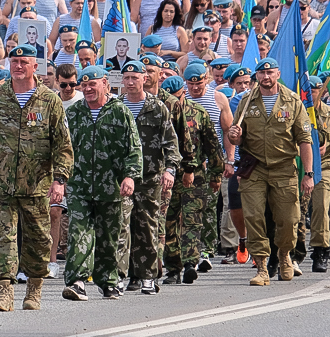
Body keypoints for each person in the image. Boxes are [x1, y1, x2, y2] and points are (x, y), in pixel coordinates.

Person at [0, 45, 73, 311]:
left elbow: (62, 145)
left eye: (23, 62)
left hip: (37, 184)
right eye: (14, 62)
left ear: (34, 67)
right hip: (0, 182)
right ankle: (4, 291)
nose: (17, 67)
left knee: (38, 239)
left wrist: (59, 180)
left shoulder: (49, 100)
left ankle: (34, 289)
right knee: (2, 237)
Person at [229, 58, 314, 286]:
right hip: (254, 168)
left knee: (289, 219)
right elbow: (236, 137)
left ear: (277, 74)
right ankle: (262, 267)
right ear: (256, 76)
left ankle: (285, 254)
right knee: (254, 217)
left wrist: (308, 174)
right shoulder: (246, 101)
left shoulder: (292, 101)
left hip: (284, 167)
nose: (266, 77)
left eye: (270, 72)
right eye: (261, 73)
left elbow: (305, 140)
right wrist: (234, 136)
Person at [62, 66, 143, 301]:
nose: (87, 89)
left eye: (92, 84)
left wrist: (130, 176)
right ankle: (77, 281)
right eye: (83, 85)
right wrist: (59, 178)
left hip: (112, 185)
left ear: (105, 84)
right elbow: (63, 148)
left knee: (108, 235)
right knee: (79, 232)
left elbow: (134, 147)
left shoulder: (120, 111)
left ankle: (108, 280)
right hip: (79, 184)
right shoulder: (74, 112)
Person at [116, 61, 180, 294]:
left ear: (145, 78)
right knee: (122, 226)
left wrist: (170, 169)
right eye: (127, 78)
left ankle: (147, 276)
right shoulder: (117, 106)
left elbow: (170, 142)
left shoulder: (157, 107)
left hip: (150, 176)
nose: (131, 82)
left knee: (147, 227)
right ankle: (122, 275)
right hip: (122, 177)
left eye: (135, 78)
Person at [161, 73, 224, 284]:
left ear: (183, 93)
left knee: (191, 220)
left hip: (194, 175)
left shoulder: (198, 113)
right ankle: (172, 267)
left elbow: (212, 145)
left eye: (176, 96)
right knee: (168, 222)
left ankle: (190, 262)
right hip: (165, 176)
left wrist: (216, 174)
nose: (172, 101)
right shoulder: (159, 111)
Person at [296, 76, 330, 272]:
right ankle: (294, 250)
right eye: (307, 91)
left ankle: (320, 251)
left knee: (319, 210)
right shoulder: (295, 113)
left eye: (315, 90)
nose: (311, 94)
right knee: (295, 213)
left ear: (321, 91)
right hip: (296, 168)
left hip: (323, 169)